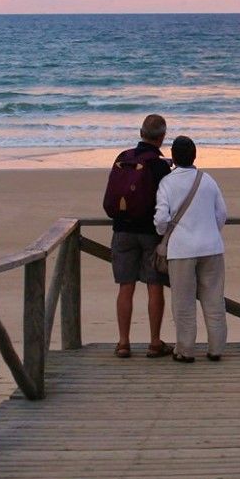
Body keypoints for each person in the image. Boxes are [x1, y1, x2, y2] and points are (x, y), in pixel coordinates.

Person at [154, 135, 230, 363]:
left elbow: (161, 219)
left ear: (173, 157)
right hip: (211, 247)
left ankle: (186, 350)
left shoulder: (167, 183)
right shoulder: (207, 180)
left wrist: (163, 233)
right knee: (214, 300)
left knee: (183, 303)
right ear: (194, 155)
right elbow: (221, 214)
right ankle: (216, 348)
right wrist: (211, 230)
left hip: (181, 249)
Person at [102, 113, 171, 359]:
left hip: (122, 229)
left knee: (126, 286)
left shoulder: (123, 158)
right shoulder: (160, 165)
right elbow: (166, 201)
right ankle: (154, 342)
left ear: (141, 133)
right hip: (150, 232)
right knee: (154, 285)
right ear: (162, 137)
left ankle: (123, 342)